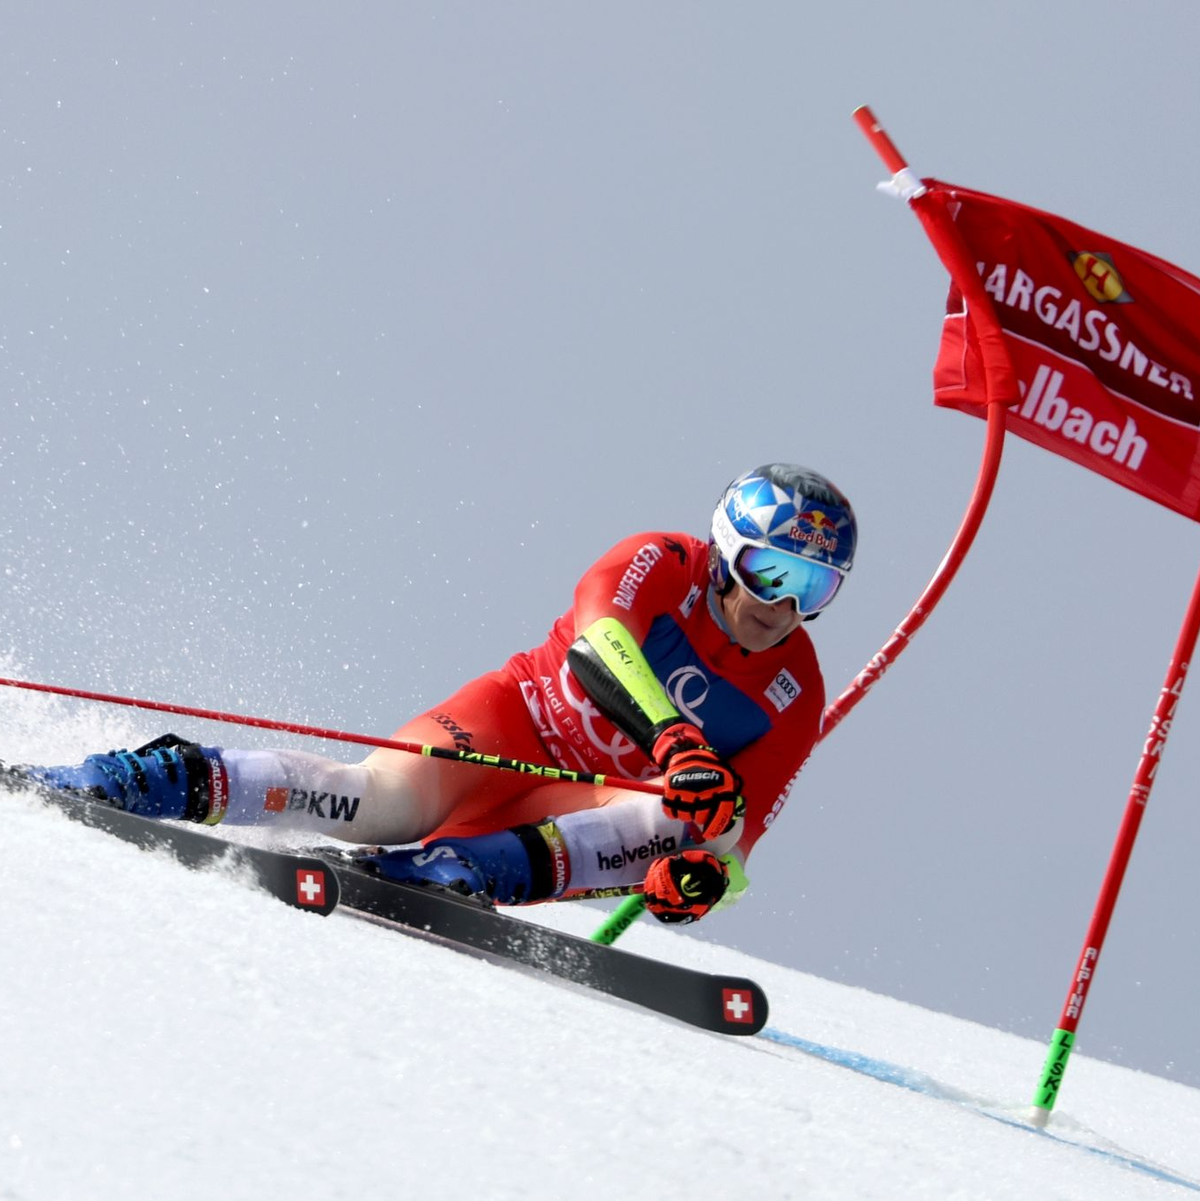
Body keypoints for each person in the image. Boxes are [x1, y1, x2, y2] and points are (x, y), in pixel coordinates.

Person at [26, 463, 856, 925]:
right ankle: (158, 776)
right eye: (768, 572)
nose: (778, 607)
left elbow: (737, 848)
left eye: (813, 589)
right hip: (515, 723)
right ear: (723, 550)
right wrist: (675, 736)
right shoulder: (660, 560)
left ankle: (457, 871)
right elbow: (603, 650)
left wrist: (695, 887)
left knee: (687, 817)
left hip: (579, 809)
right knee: (377, 798)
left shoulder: (797, 686)